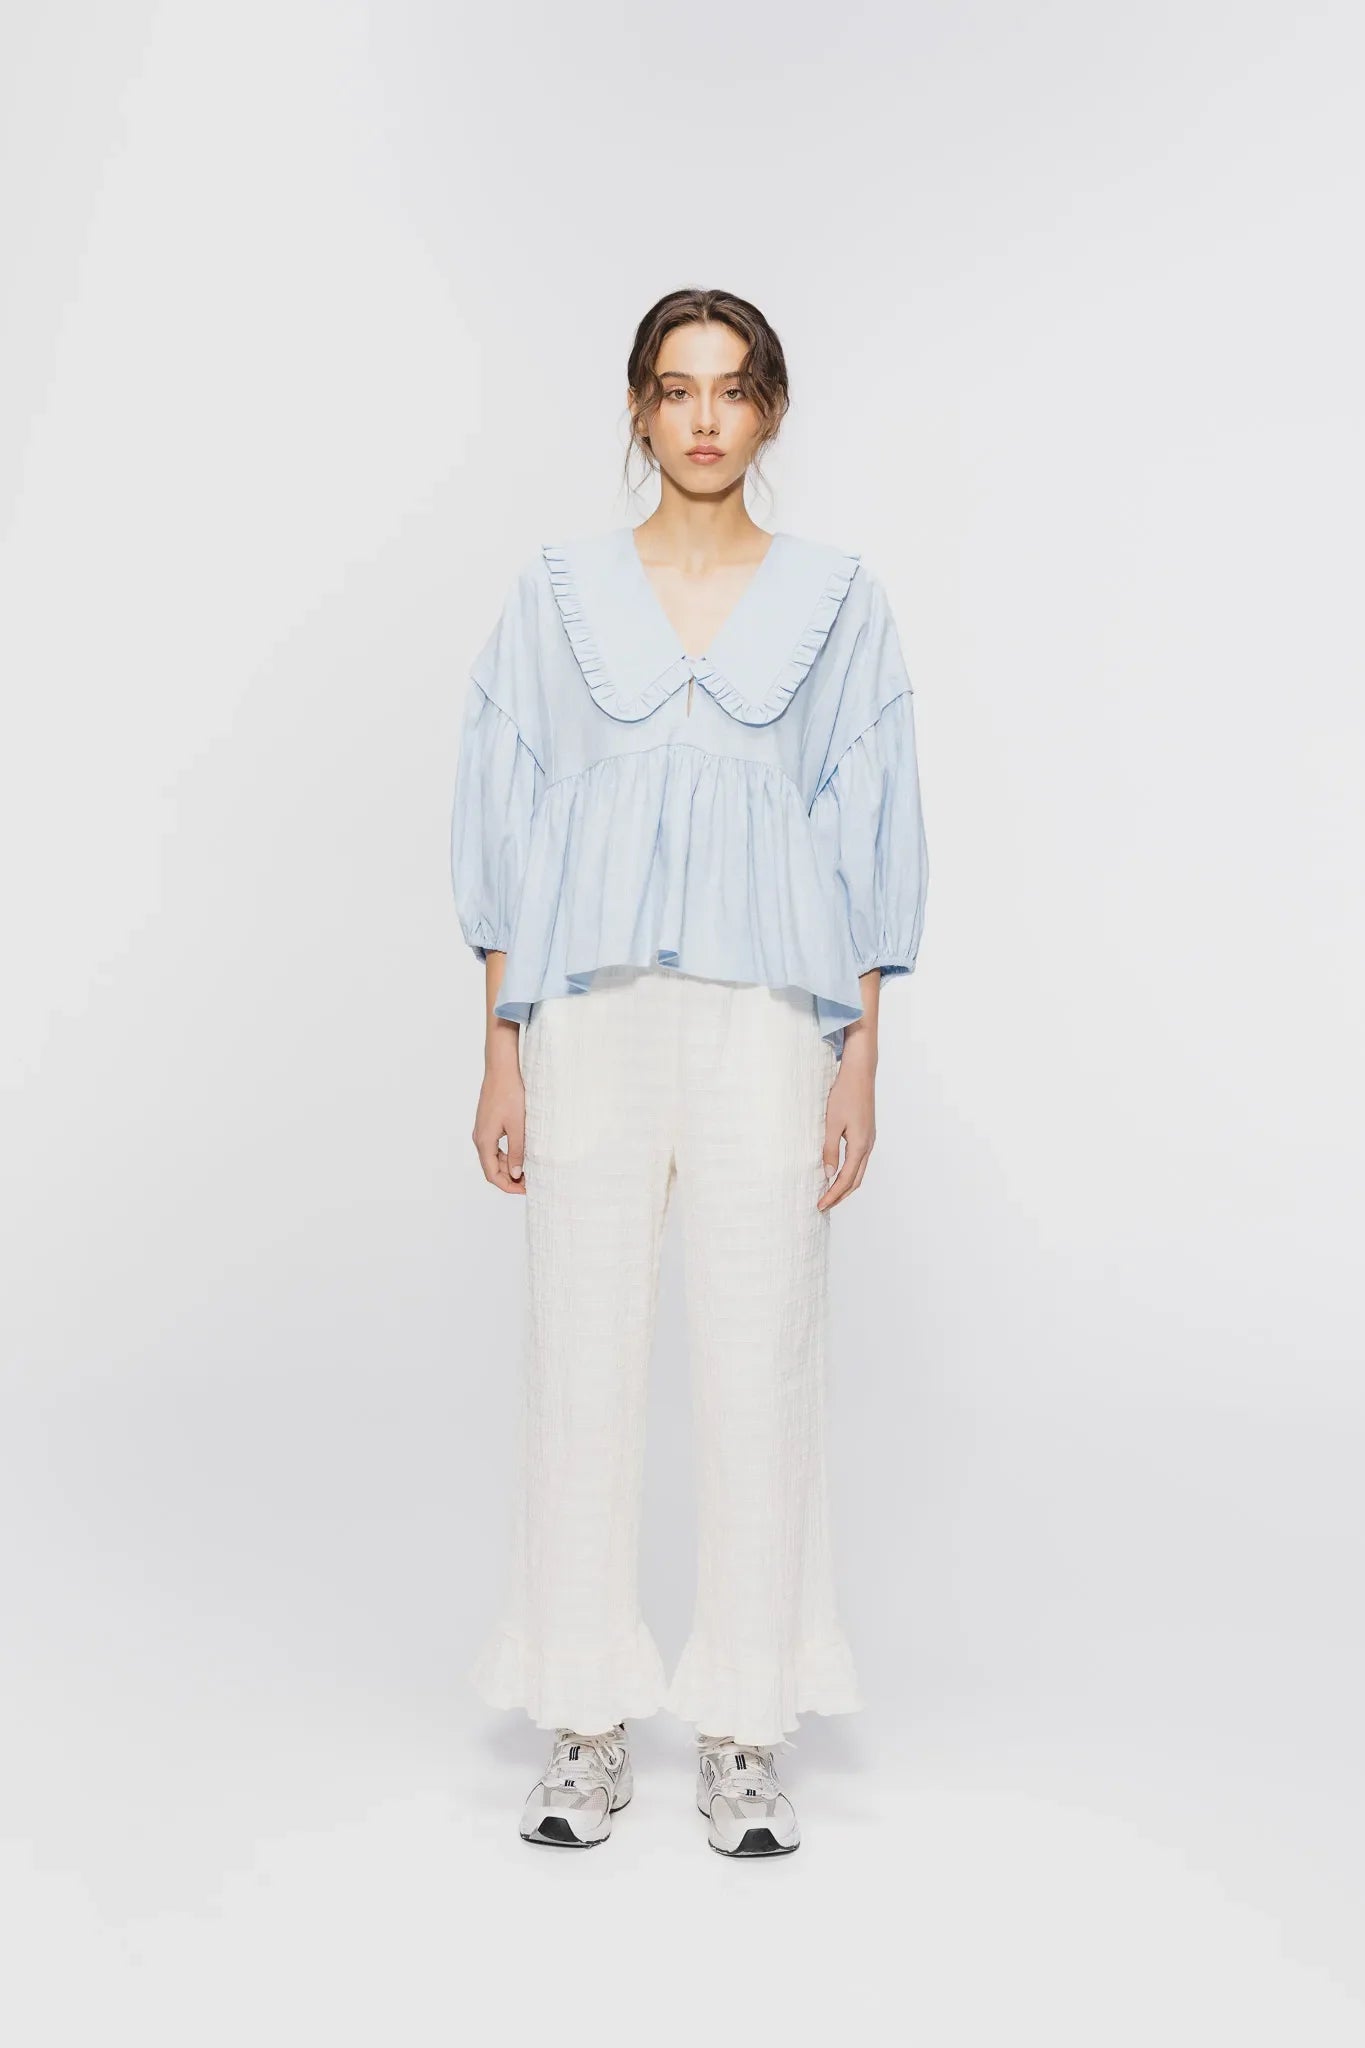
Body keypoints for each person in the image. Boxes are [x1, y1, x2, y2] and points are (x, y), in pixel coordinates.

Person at [449, 286, 928, 1857]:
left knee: (758, 1355)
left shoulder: (838, 601)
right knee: (578, 1355)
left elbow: (864, 823)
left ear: (768, 409)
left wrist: (857, 1061)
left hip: (767, 1020)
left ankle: (744, 1730)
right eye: (676, 388)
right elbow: (512, 814)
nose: (704, 418)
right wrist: (500, 1049)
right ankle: (582, 1723)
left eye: (730, 388)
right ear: (639, 411)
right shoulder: (557, 597)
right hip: (587, 1013)